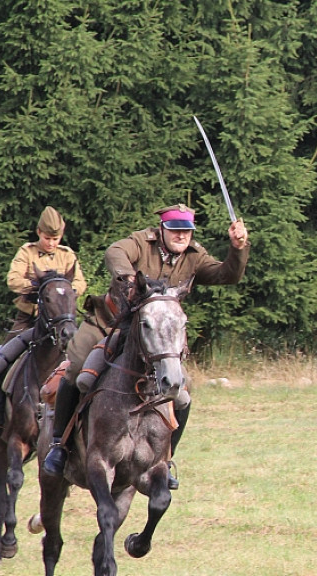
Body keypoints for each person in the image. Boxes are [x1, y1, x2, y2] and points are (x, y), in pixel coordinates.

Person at [42, 204, 250, 488]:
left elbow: (229, 274)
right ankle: (59, 447)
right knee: (76, 370)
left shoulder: (195, 257)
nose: (181, 236)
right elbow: (114, 252)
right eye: (176, 230)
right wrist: (128, 277)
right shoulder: (142, 242)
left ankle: (166, 459)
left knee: (182, 396)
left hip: (153, 339)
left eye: (186, 230)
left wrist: (237, 247)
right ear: (162, 229)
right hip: (110, 322)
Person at [0, 206, 87, 434]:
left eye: (55, 238)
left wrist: (63, 289)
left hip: (60, 323)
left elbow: (80, 283)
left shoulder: (67, 255)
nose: (51, 243)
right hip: (29, 320)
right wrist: (37, 287)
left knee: (86, 359)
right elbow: (13, 280)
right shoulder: (26, 252)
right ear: (39, 232)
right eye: (47, 238)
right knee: (0, 362)